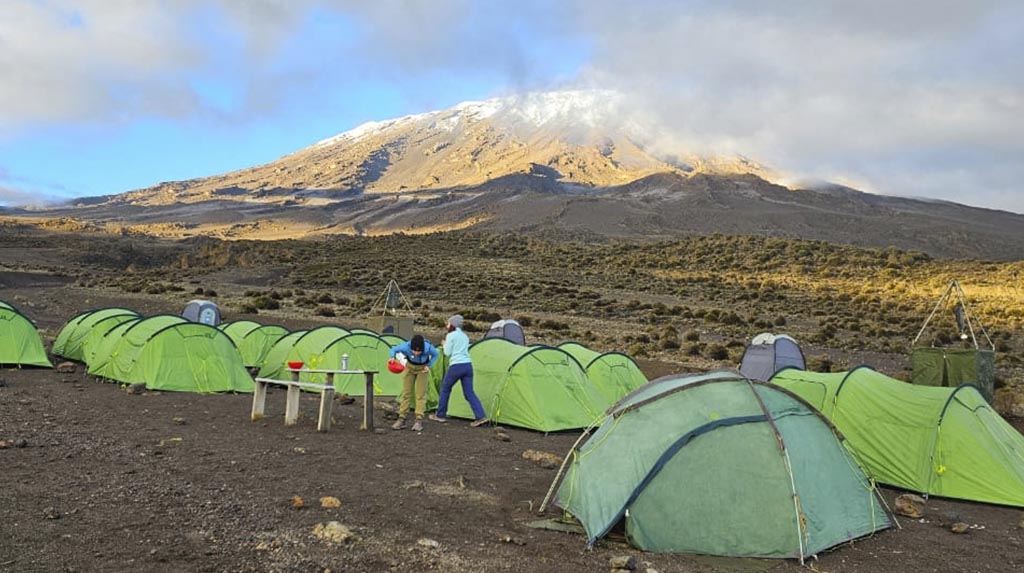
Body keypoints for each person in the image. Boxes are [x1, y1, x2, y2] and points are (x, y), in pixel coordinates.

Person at [430, 314, 488, 427]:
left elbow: (447, 352)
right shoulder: (465, 336)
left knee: (445, 389)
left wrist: (444, 344)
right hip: (468, 365)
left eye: (448, 323)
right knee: (469, 393)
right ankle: (480, 416)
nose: (447, 326)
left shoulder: (451, 336)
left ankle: (440, 415)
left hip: (456, 365)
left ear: (452, 324)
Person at [388, 334, 439, 432]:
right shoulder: (405, 346)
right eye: (414, 350)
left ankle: (418, 420)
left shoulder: (428, 347)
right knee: (406, 394)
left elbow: (436, 354)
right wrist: (392, 357)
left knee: (420, 395)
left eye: (419, 351)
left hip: (422, 369)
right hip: (409, 368)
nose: (416, 353)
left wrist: (429, 365)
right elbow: (393, 349)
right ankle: (401, 418)